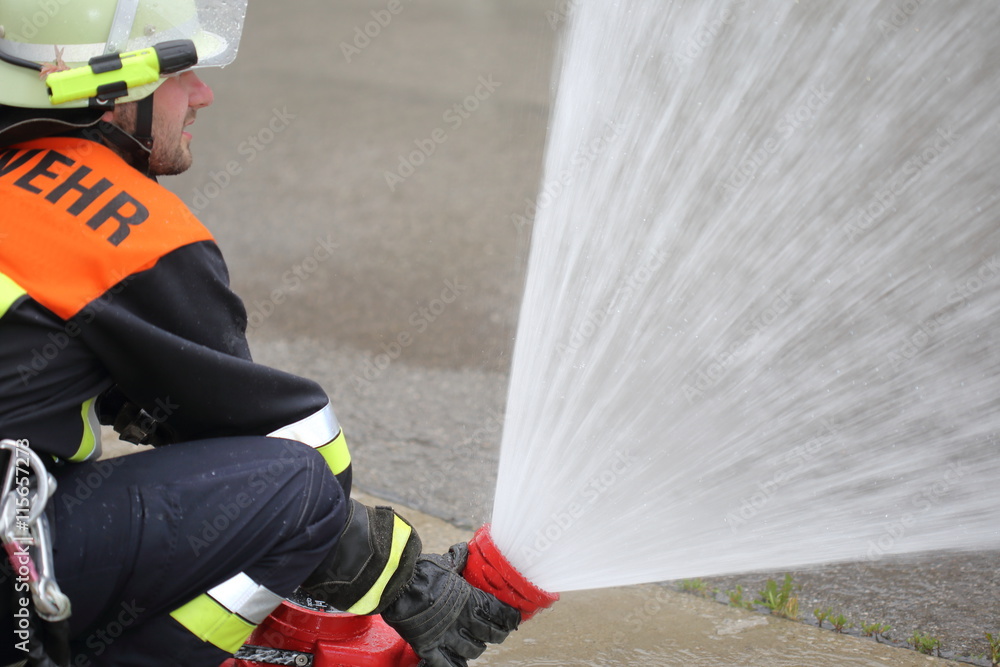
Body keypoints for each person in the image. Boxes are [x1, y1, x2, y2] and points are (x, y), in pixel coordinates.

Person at [0, 1, 519, 665]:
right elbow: (289, 444)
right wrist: (412, 582)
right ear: (108, 95)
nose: (203, 95)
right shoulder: (119, 226)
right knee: (296, 487)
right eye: (179, 73)